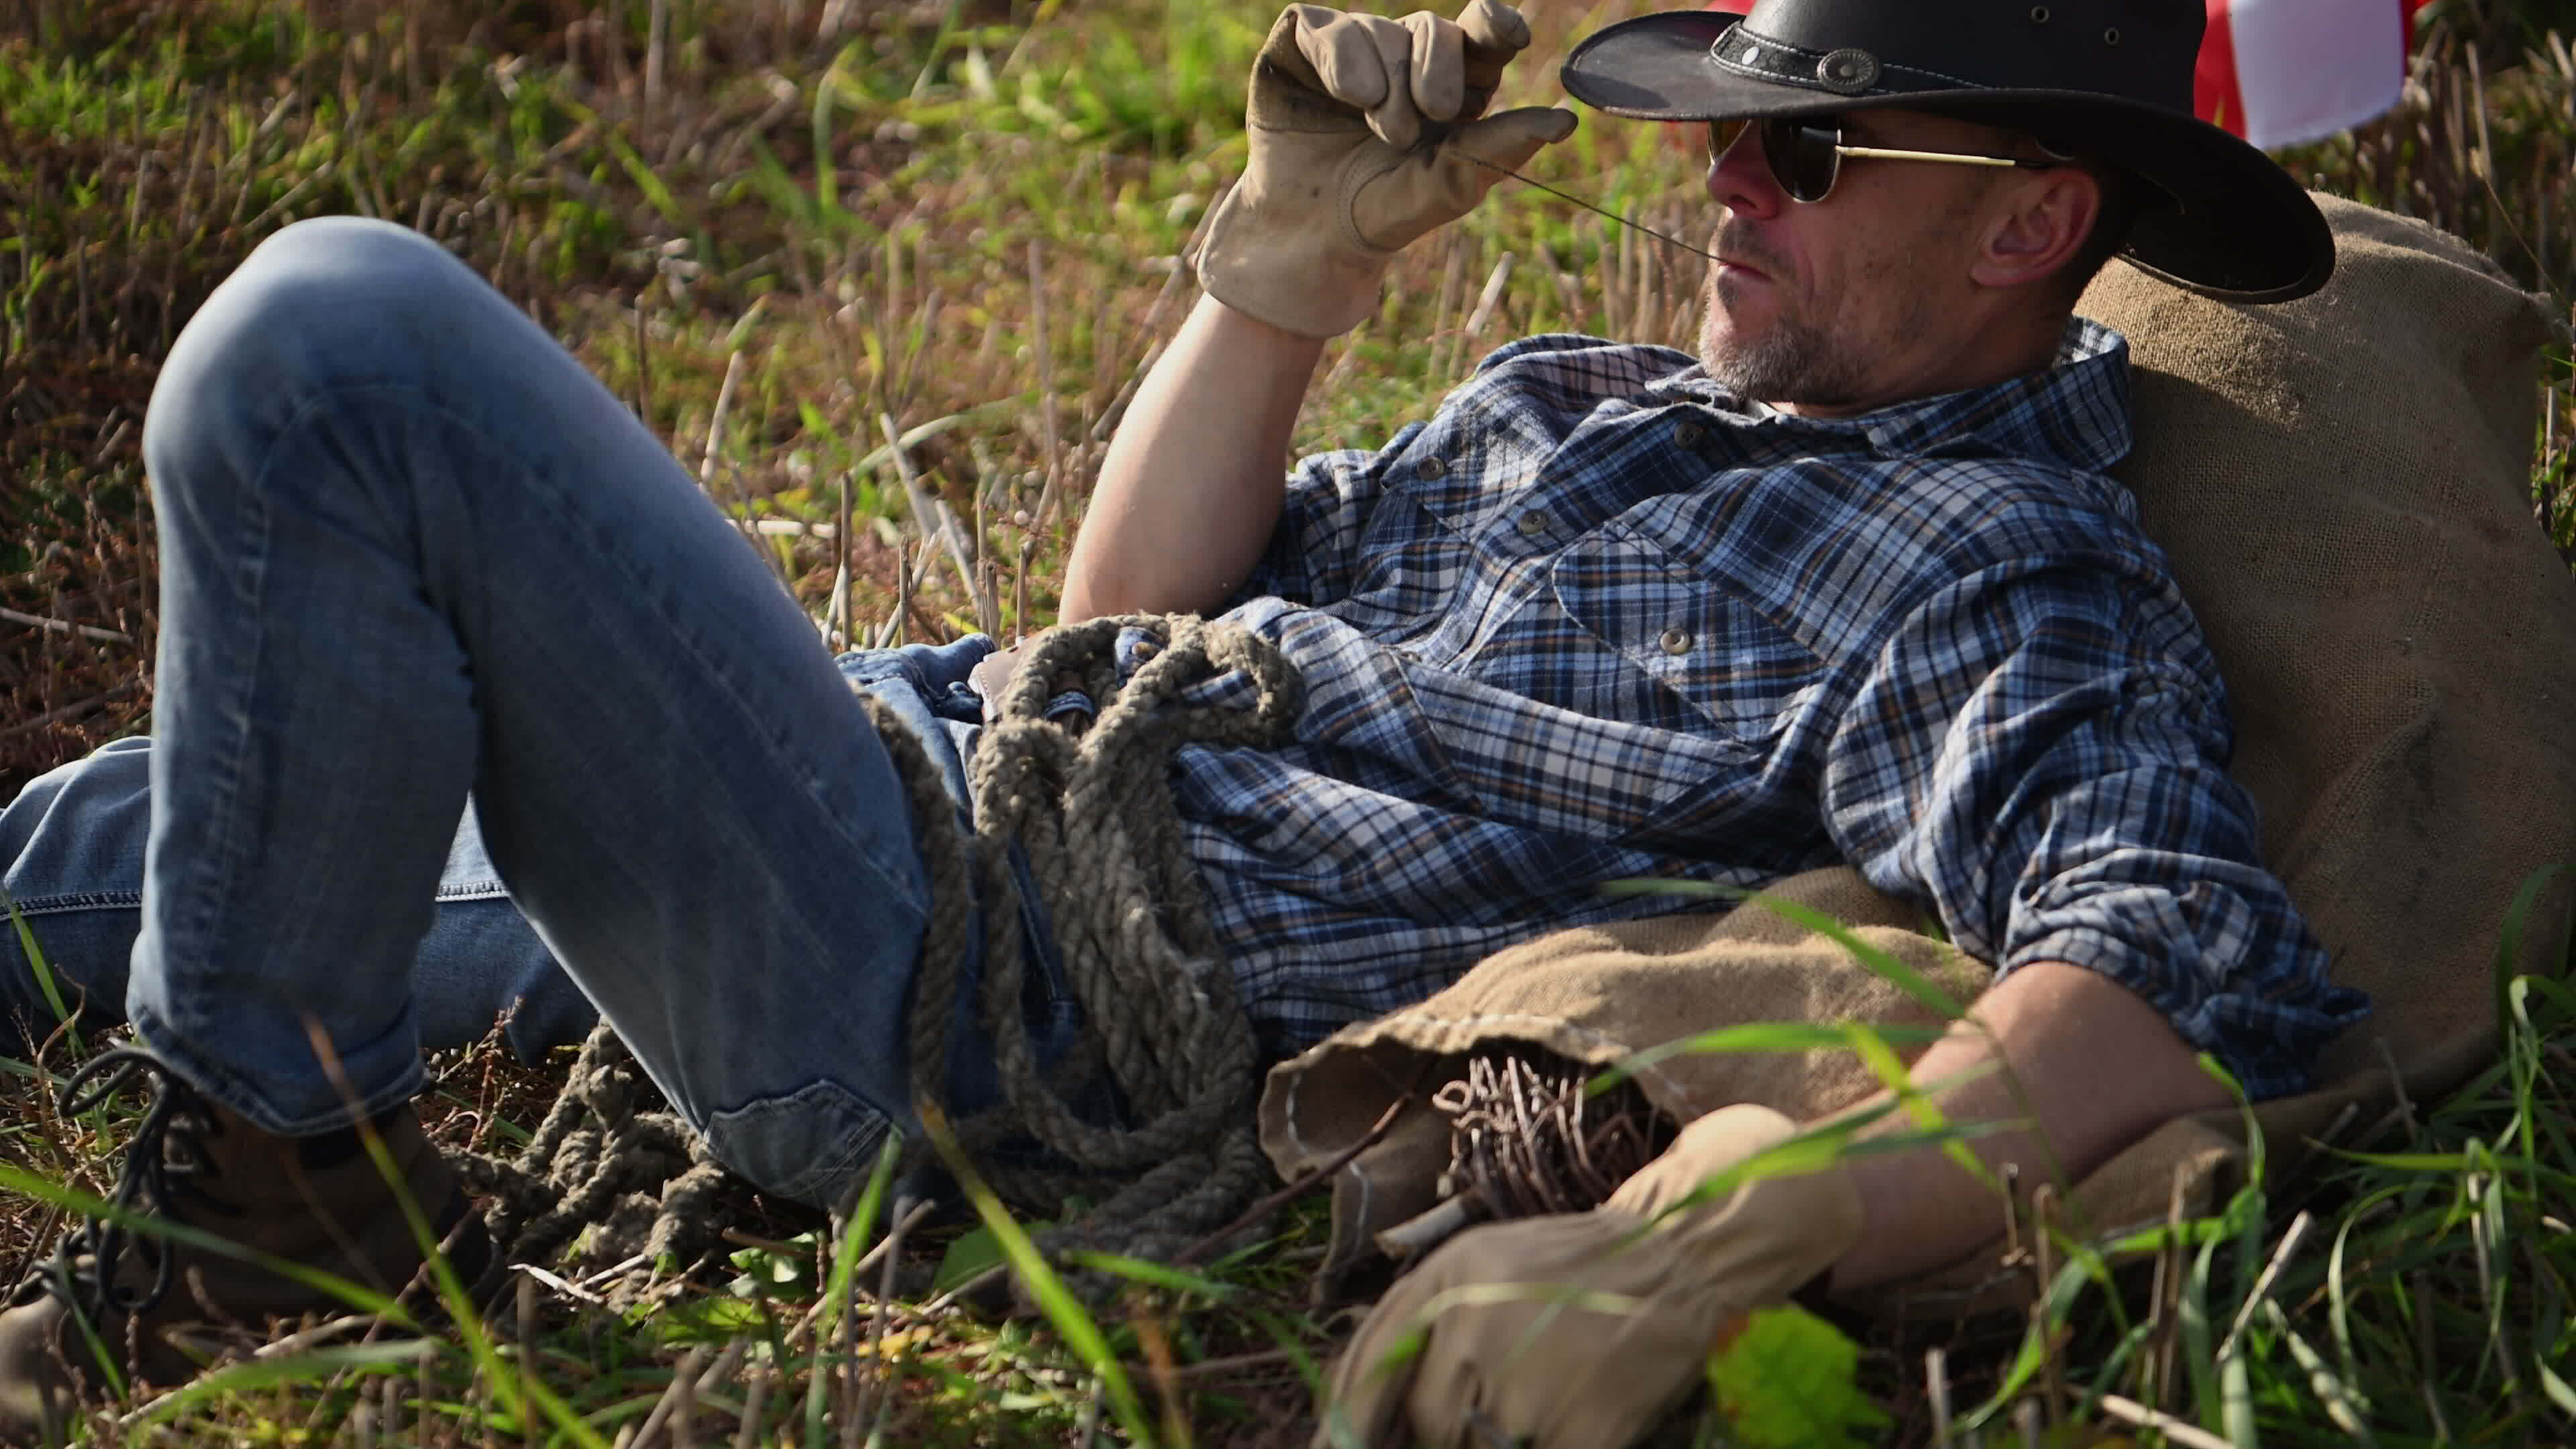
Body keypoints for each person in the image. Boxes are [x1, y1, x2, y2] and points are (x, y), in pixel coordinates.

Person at [0, 0, 2367, 1438]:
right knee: (91, 865)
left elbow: (2167, 963)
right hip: (914, 769)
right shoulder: (1595, 401)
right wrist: (1280, 279)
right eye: (1730, 126)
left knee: (342, 347)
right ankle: (267, 1136)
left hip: (949, 979)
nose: (1727, 187)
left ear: (2028, 226)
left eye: (1809, 149)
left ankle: (258, 1227)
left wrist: (1697, 1248)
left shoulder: (1994, 565)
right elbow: (1125, 626)